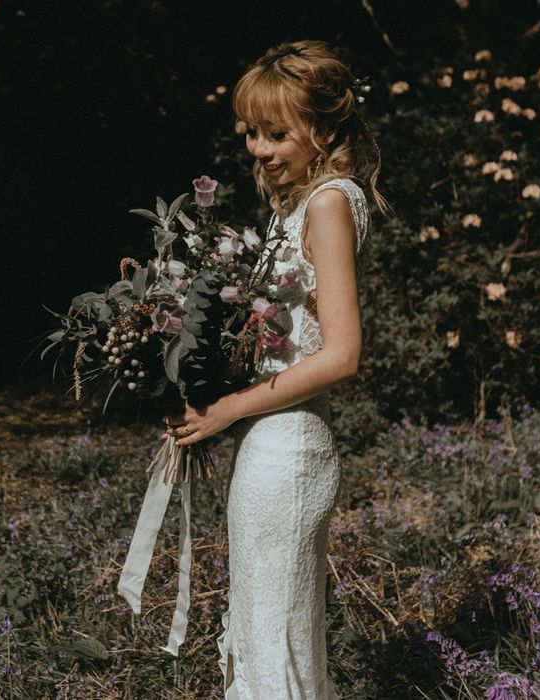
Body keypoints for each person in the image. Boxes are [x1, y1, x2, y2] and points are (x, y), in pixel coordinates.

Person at [163, 40, 388, 698]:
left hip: (289, 450)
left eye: (276, 133)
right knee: (268, 637)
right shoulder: (296, 205)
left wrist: (227, 408)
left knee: (278, 645)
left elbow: (342, 352)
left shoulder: (326, 205)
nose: (258, 149)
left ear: (324, 128)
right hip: (267, 445)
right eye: (251, 133)